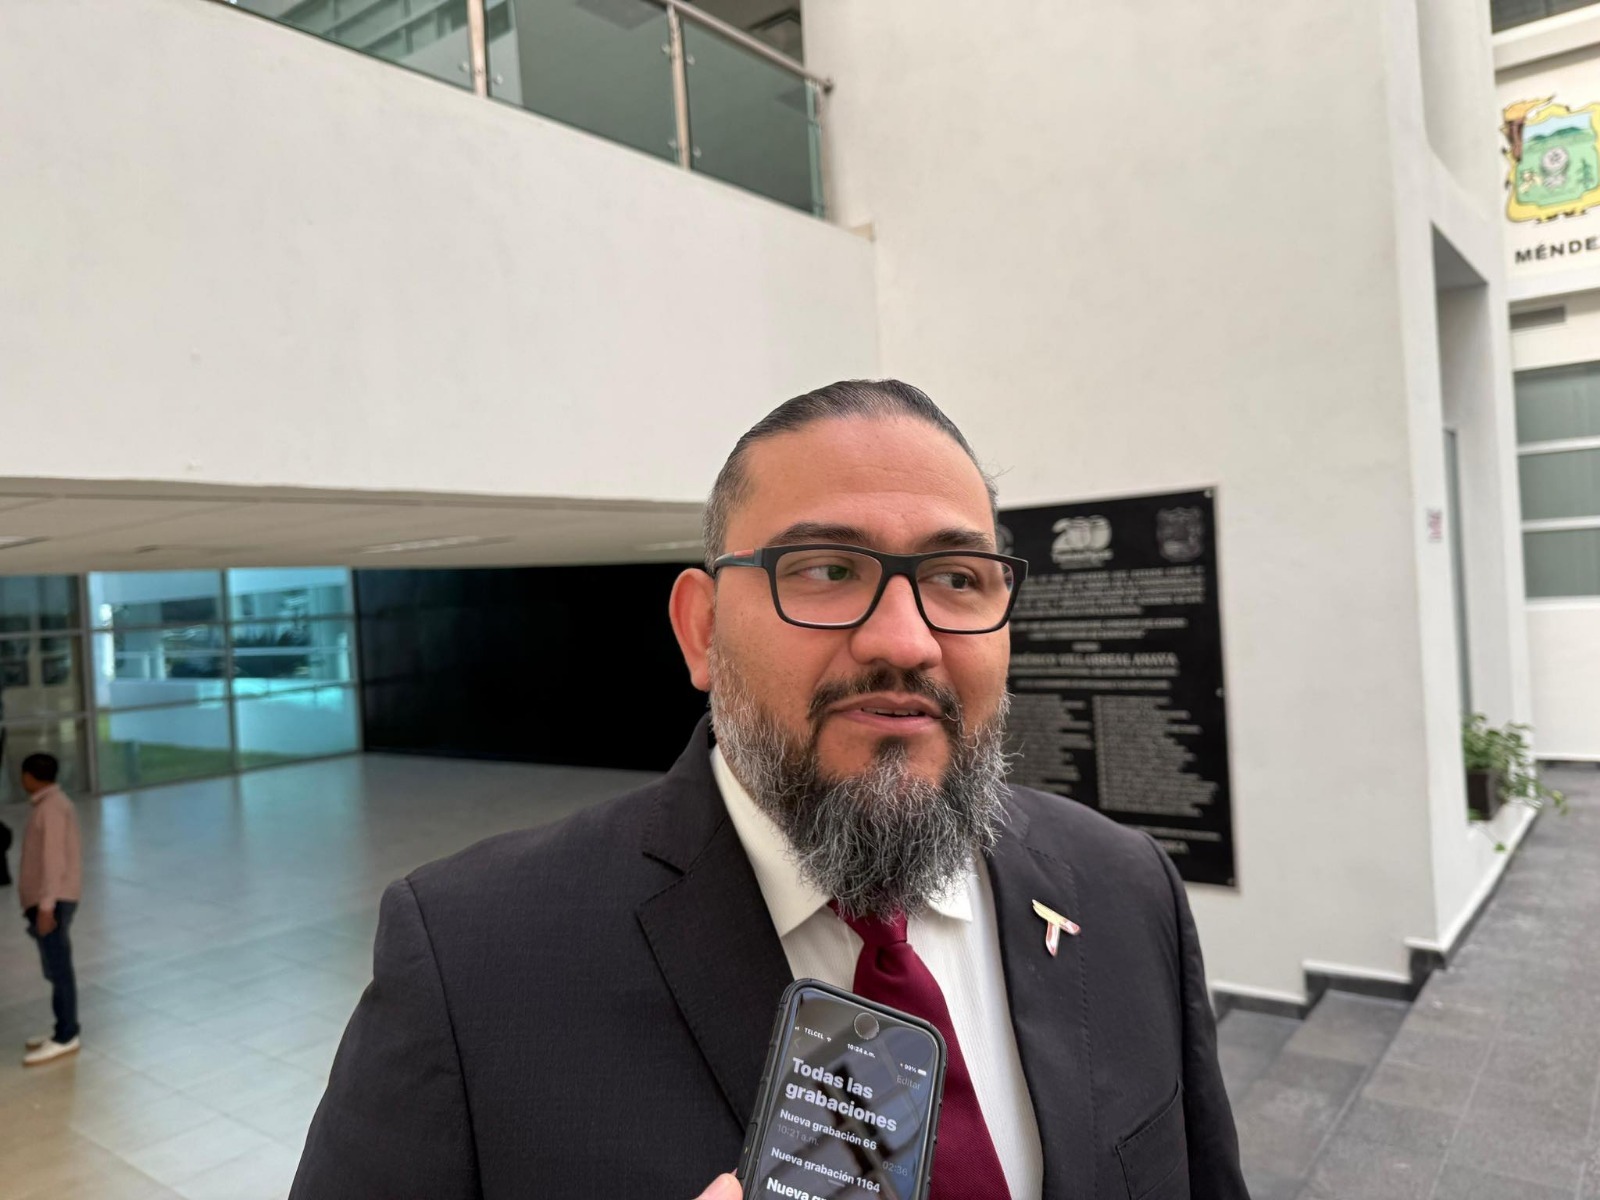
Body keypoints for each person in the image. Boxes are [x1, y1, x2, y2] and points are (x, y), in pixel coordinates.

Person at [291, 380, 1247, 1199]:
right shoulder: (473, 960)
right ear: (702, 631)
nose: (905, 641)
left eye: (959, 578)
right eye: (827, 570)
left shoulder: (1123, 888)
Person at [18, 752, 83, 1067]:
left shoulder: (52, 809)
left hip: (53, 902)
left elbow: (54, 861)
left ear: (30, 777)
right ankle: (62, 1028)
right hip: (49, 901)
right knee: (55, 968)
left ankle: (66, 1035)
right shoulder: (48, 805)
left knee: (59, 969)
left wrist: (46, 907)